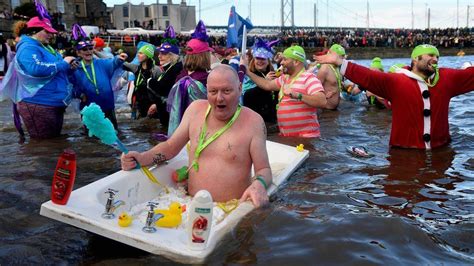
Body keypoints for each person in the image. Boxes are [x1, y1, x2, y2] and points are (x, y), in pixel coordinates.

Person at [121, 65, 271, 208]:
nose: (219, 98)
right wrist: (142, 158)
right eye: (213, 91)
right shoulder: (195, 110)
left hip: (230, 208)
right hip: (191, 203)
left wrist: (259, 185)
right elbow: (170, 147)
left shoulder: (253, 122)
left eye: (226, 91)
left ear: (239, 89)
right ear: (206, 90)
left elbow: (263, 169)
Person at [316, 44, 474, 149]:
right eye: (430, 55)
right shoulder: (396, 81)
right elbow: (369, 77)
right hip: (404, 152)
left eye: (437, 57)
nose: (435, 59)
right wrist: (340, 62)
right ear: (415, 59)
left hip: (441, 151)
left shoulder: (447, 78)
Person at [0, 16, 76, 139]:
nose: (51, 35)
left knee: (53, 144)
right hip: (38, 103)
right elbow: (35, 69)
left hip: (53, 102)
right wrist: (63, 63)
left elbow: (56, 69)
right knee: (43, 146)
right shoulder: (28, 47)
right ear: (34, 31)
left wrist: (70, 67)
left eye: (51, 32)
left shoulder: (44, 46)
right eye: (47, 32)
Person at [241, 45, 327, 138]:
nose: (281, 63)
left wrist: (298, 95)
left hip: (305, 138)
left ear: (296, 62)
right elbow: (267, 85)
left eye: (285, 59)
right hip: (286, 136)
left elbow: (322, 101)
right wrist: (248, 72)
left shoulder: (309, 78)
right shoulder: (284, 78)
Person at [69, 24, 127, 130]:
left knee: (113, 136)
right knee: (91, 141)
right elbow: (69, 87)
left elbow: (113, 63)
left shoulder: (101, 63)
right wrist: (80, 94)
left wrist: (119, 58)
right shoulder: (75, 69)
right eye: (84, 49)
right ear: (78, 52)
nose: (88, 51)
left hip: (107, 107)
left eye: (90, 48)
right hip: (89, 110)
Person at [167, 20, 212, 136]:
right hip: (200, 130)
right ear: (205, 57)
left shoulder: (180, 76)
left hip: (180, 130)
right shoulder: (207, 79)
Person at [147, 26, 183, 128]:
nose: (159, 56)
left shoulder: (176, 69)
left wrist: (150, 81)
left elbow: (163, 89)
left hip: (171, 119)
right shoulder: (171, 67)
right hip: (167, 116)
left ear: (172, 56)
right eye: (159, 53)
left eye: (163, 54)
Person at [242, 38, 279, 123]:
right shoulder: (248, 75)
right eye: (257, 58)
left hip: (272, 120)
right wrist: (265, 83)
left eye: (263, 59)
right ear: (254, 60)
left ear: (268, 61)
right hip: (255, 120)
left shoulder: (273, 74)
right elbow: (247, 96)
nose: (260, 61)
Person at [123, 43, 162, 119]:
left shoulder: (156, 70)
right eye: (138, 53)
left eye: (141, 53)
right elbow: (120, 64)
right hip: (139, 103)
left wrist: (157, 105)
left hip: (151, 104)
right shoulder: (136, 68)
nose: (138, 55)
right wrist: (119, 58)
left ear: (148, 56)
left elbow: (162, 89)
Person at [316, 44, 346, 110]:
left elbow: (334, 85)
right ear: (334, 56)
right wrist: (324, 96)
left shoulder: (338, 68)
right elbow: (314, 91)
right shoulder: (324, 69)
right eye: (342, 56)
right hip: (325, 110)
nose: (343, 58)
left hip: (335, 109)